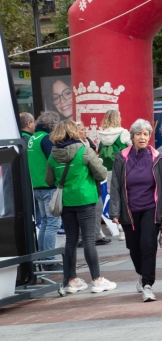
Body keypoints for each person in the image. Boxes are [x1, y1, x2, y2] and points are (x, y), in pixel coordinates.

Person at [45, 119, 116, 294]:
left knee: (71, 240)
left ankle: (71, 280)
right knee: (89, 240)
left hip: (66, 202)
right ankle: (97, 280)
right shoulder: (84, 151)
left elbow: (49, 180)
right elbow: (100, 175)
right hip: (85, 200)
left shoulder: (53, 155)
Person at [110, 119, 162, 301]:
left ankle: (147, 284)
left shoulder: (156, 158)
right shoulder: (121, 158)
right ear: (132, 137)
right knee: (133, 247)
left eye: (146, 134)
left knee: (148, 245)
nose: (142, 137)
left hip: (151, 209)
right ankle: (141, 273)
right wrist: (114, 211)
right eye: (139, 134)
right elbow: (115, 186)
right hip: (129, 211)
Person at [28, 111, 61, 262]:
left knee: (46, 222)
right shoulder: (46, 139)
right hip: (48, 186)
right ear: (53, 125)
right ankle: (48, 259)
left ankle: (43, 257)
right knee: (53, 223)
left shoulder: (33, 137)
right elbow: (53, 161)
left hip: (37, 185)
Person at [98, 109, 130, 241]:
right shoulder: (123, 133)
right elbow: (132, 149)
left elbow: (99, 150)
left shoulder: (102, 135)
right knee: (126, 196)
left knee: (113, 197)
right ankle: (127, 226)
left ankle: (119, 228)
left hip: (108, 169)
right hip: (123, 169)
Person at [76, 122, 110, 248]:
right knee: (87, 210)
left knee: (98, 207)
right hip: (85, 182)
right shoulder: (77, 146)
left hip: (93, 181)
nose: (85, 131)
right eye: (82, 129)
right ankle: (84, 237)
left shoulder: (87, 143)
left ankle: (96, 235)